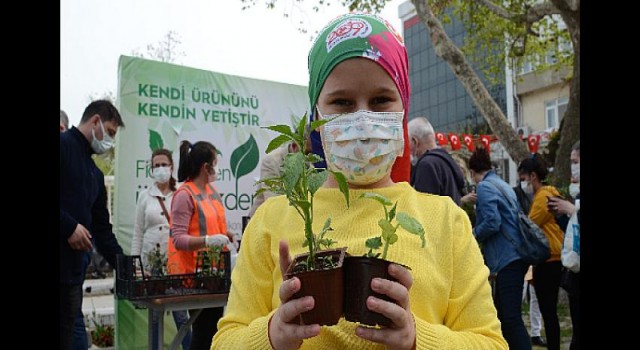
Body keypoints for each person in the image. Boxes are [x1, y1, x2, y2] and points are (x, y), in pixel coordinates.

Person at [213, 13, 507, 349]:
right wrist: (272, 334)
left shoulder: (446, 221)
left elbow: (491, 342)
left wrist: (416, 338)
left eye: (381, 100)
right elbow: (225, 339)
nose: (363, 119)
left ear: (403, 111)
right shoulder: (271, 220)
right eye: (342, 103)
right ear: (316, 117)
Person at [60, 99, 125, 350]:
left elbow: (102, 229)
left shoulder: (94, 174)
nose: (109, 141)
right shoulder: (63, 146)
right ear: (95, 121)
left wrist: (124, 264)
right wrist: (69, 227)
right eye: (109, 132)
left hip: (73, 275)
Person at [168, 140, 234, 350]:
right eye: (215, 163)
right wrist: (208, 241)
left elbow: (210, 225)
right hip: (194, 278)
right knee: (203, 334)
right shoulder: (184, 195)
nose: (217, 168)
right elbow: (178, 239)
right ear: (206, 167)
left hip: (215, 276)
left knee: (213, 333)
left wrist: (226, 234)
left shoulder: (211, 191)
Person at [468, 147, 531, 350]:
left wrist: (472, 235)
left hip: (506, 259)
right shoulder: (502, 184)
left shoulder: (485, 187)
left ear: (472, 172)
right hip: (516, 256)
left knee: (511, 319)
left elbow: (492, 222)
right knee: (503, 316)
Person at [132, 148, 192, 350]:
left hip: (175, 262)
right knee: (155, 315)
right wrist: (136, 264)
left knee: (181, 314)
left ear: (171, 166)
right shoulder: (144, 196)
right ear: (151, 169)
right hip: (150, 264)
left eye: (163, 164)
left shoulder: (181, 193)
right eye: (156, 165)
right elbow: (138, 232)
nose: (160, 169)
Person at [518, 154, 565, 350]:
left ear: (533, 176)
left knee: (548, 311)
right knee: (549, 311)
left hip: (548, 261)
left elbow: (529, 225)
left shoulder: (543, 197)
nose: (523, 183)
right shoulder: (549, 193)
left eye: (523, 179)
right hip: (553, 259)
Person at [548, 140, 580, 350]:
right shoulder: (576, 195)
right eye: (571, 162)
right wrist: (562, 216)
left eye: (576, 161)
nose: (573, 167)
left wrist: (573, 210)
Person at [248, 132, 311, 218]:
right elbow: (273, 201)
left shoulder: (310, 166)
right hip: (262, 223)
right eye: (306, 153)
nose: (309, 157)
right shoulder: (271, 161)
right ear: (294, 146)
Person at [513, 181, 546, 347]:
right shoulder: (518, 194)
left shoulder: (540, 197)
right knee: (523, 294)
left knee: (534, 296)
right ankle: (532, 332)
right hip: (525, 252)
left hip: (533, 252)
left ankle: (536, 331)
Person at [408, 117, 466, 205]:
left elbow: (425, 208)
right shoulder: (446, 160)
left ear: (415, 141)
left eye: (408, 143)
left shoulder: (426, 165)